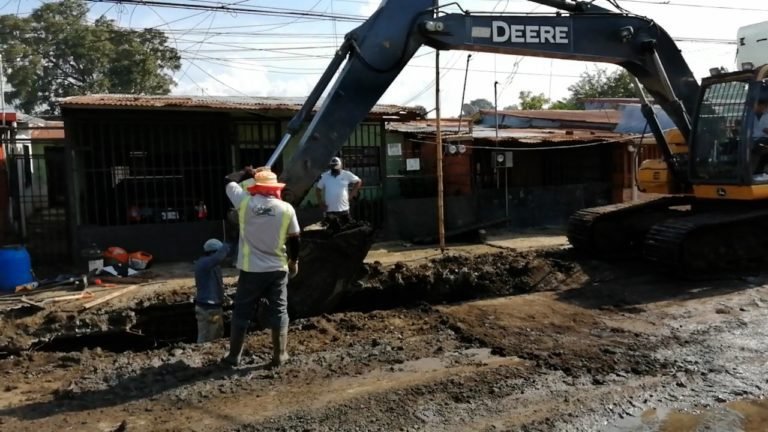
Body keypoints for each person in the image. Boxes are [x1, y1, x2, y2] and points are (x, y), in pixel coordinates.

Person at [222, 166, 300, 368]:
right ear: (276, 188)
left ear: (255, 186)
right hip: (277, 270)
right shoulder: (286, 209)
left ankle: (234, 356)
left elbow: (228, 180)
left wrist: (247, 172)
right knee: (279, 311)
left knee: (242, 313)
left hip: (251, 270)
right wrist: (294, 261)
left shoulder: (244, 202)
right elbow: (295, 239)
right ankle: (280, 355)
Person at [194, 238, 230, 343]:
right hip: (207, 309)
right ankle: (201, 353)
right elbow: (219, 257)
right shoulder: (204, 263)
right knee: (206, 339)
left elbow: (217, 284)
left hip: (214, 308)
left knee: (216, 337)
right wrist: (229, 243)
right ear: (213, 252)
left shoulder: (214, 266)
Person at [314, 157, 363, 226]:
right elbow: (318, 189)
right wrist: (320, 202)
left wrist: (352, 194)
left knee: (346, 228)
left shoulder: (346, 174)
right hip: (330, 210)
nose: (335, 171)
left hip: (344, 209)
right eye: (333, 169)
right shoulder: (325, 176)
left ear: (341, 166)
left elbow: (358, 181)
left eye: (337, 169)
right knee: (331, 229)